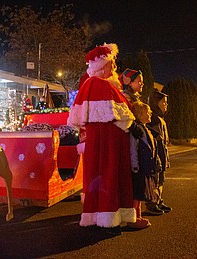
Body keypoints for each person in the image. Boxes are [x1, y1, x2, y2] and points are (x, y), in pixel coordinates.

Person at [67, 43, 136, 235]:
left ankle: (105, 217)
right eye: (112, 64)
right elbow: (118, 116)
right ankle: (106, 220)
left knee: (106, 177)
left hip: (108, 143)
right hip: (106, 145)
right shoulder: (97, 84)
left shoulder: (102, 84)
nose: (114, 68)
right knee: (107, 176)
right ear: (102, 66)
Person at [127, 101, 158, 229]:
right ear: (139, 115)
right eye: (147, 112)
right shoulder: (137, 130)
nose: (150, 113)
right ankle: (133, 219)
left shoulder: (144, 128)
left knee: (140, 194)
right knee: (137, 193)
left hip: (144, 167)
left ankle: (137, 216)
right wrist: (134, 165)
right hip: (139, 167)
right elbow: (133, 149)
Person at [145, 89, 172, 215]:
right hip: (156, 155)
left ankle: (159, 200)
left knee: (161, 179)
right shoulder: (153, 119)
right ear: (156, 103)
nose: (166, 105)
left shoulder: (160, 119)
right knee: (155, 180)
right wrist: (159, 157)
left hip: (162, 153)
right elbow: (155, 141)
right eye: (164, 102)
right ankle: (152, 203)